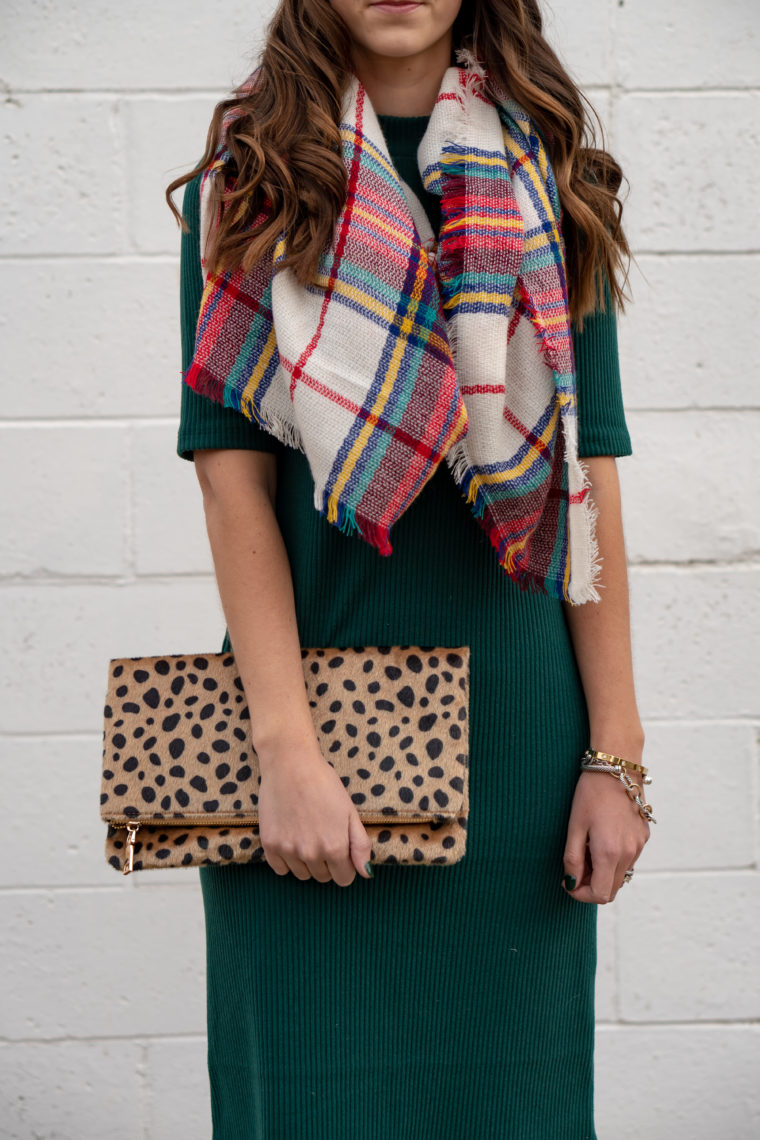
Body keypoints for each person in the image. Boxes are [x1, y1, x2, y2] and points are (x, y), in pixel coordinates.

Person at [166, 1, 651, 1136]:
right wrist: (284, 750)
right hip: (301, 741)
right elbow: (230, 477)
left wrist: (615, 754)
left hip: (515, 750)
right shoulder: (245, 186)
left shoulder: (550, 181)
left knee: (511, 1109)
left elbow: (594, 485)